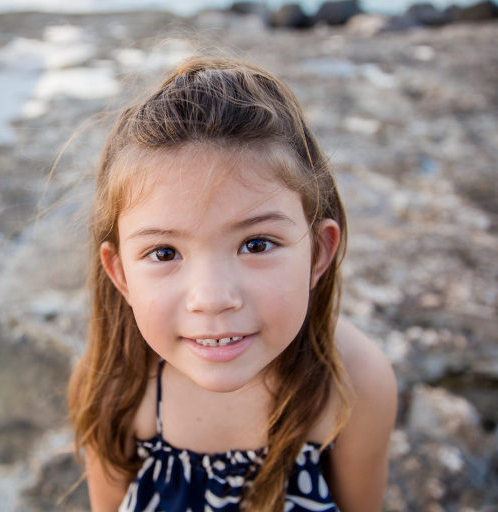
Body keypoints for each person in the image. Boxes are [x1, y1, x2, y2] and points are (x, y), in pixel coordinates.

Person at [68, 56, 397, 512]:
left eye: (257, 244)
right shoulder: (116, 383)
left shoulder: (353, 384)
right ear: (121, 272)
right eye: (164, 253)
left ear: (318, 253)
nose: (213, 298)